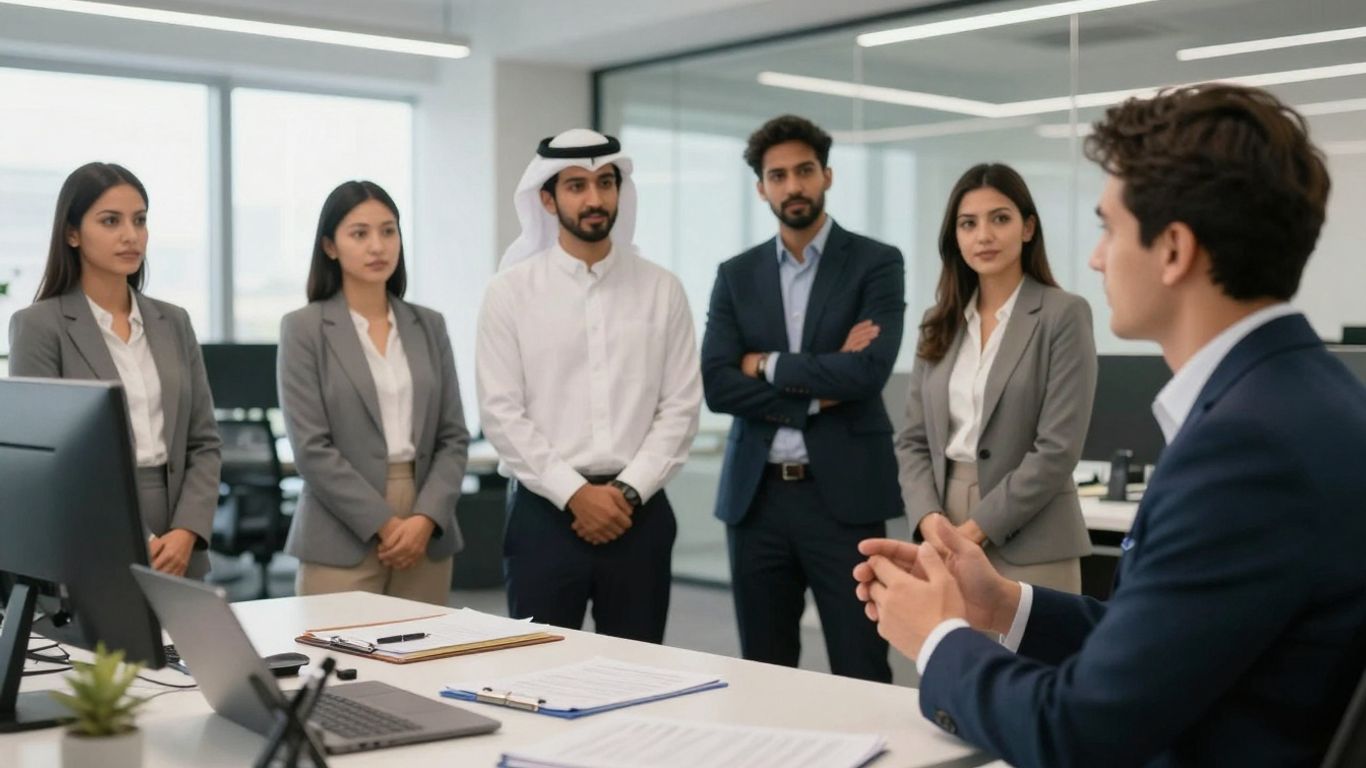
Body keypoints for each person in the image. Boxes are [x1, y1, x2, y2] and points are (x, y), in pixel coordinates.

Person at [855, 83, 1366, 767]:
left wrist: (939, 637)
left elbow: (1079, 731)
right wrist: (1003, 606)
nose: (1096, 258)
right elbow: (1163, 641)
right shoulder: (1299, 399)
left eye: (1108, 228)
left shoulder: (1247, 448)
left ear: (1174, 250)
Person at [476, 129, 701, 643]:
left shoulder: (662, 289)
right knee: (539, 675)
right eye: (576, 185)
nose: (595, 199)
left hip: (638, 515)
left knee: (640, 675)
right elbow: (501, 413)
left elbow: (681, 407)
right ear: (547, 199)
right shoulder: (510, 293)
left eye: (606, 182)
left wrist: (624, 492)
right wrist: (575, 493)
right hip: (544, 516)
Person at [701, 115, 904, 682]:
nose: (794, 186)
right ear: (761, 187)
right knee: (765, 670)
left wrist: (765, 364)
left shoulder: (875, 263)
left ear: (827, 176)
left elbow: (866, 372)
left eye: (805, 171)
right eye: (779, 175)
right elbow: (717, 384)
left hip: (844, 501)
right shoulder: (736, 275)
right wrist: (814, 395)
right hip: (757, 500)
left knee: (861, 664)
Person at [8, 162, 221, 579]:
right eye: (111, 221)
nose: (131, 235)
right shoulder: (39, 326)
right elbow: (51, 462)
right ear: (72, 233)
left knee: (184, 647)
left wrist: (188, 530)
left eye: (139, 220)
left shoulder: (174, 322)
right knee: (107, 648)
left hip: (181, 534)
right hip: (92, 528)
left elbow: (205, 443)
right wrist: (139, 539)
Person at [898, 163, 1096, 593]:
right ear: (956, 237)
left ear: (1027, 228)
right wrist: (929, 519)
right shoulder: (939, 322)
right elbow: (913, 440)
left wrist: (973, 532)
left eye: (1000, 219)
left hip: (1032, 532)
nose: (983, 235)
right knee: (951, 659)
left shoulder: (1063, 314)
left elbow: (1057, 449)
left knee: (1034, 659)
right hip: (942, 521)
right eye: (968, 224)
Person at [278, 180, 468, 605]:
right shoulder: (304, 329)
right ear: (330, 246)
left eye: (388, 231)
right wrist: (385, 524)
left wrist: (422, 520)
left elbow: (454, 436)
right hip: (339, 528)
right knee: (342, 665)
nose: (377, 246)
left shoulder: (428, 325)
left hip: (426, 522)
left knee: (425, 663)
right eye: (359, 233)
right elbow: (311, 448)